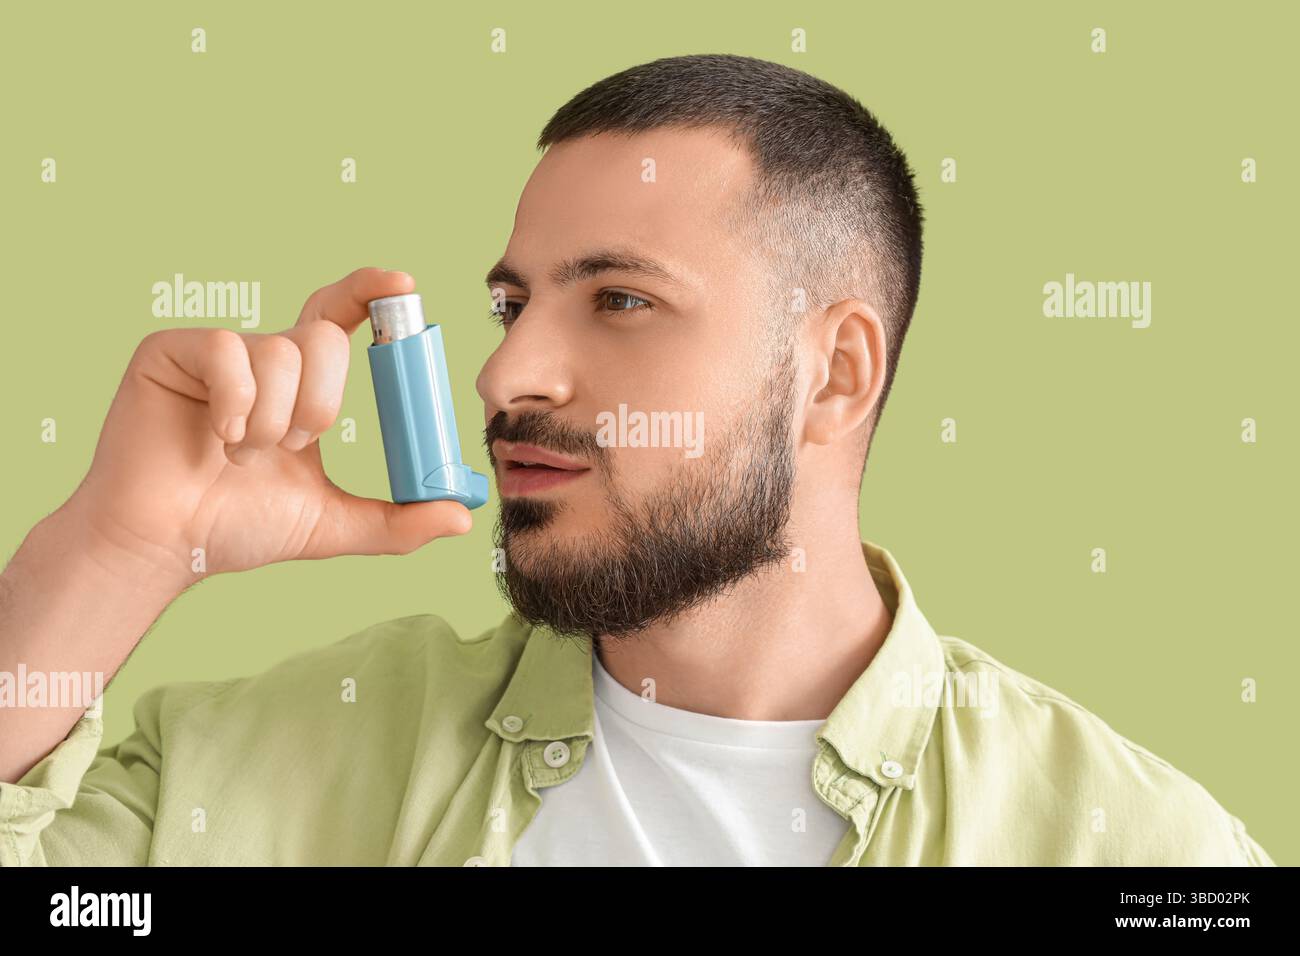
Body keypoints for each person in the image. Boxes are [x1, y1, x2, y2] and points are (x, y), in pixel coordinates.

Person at [0, 54, 1273, 866]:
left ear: (833, 375)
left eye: (616, 299)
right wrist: (113, 551)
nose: (505, 378)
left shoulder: (1132, 851)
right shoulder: (280, 764)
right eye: (513, 306)